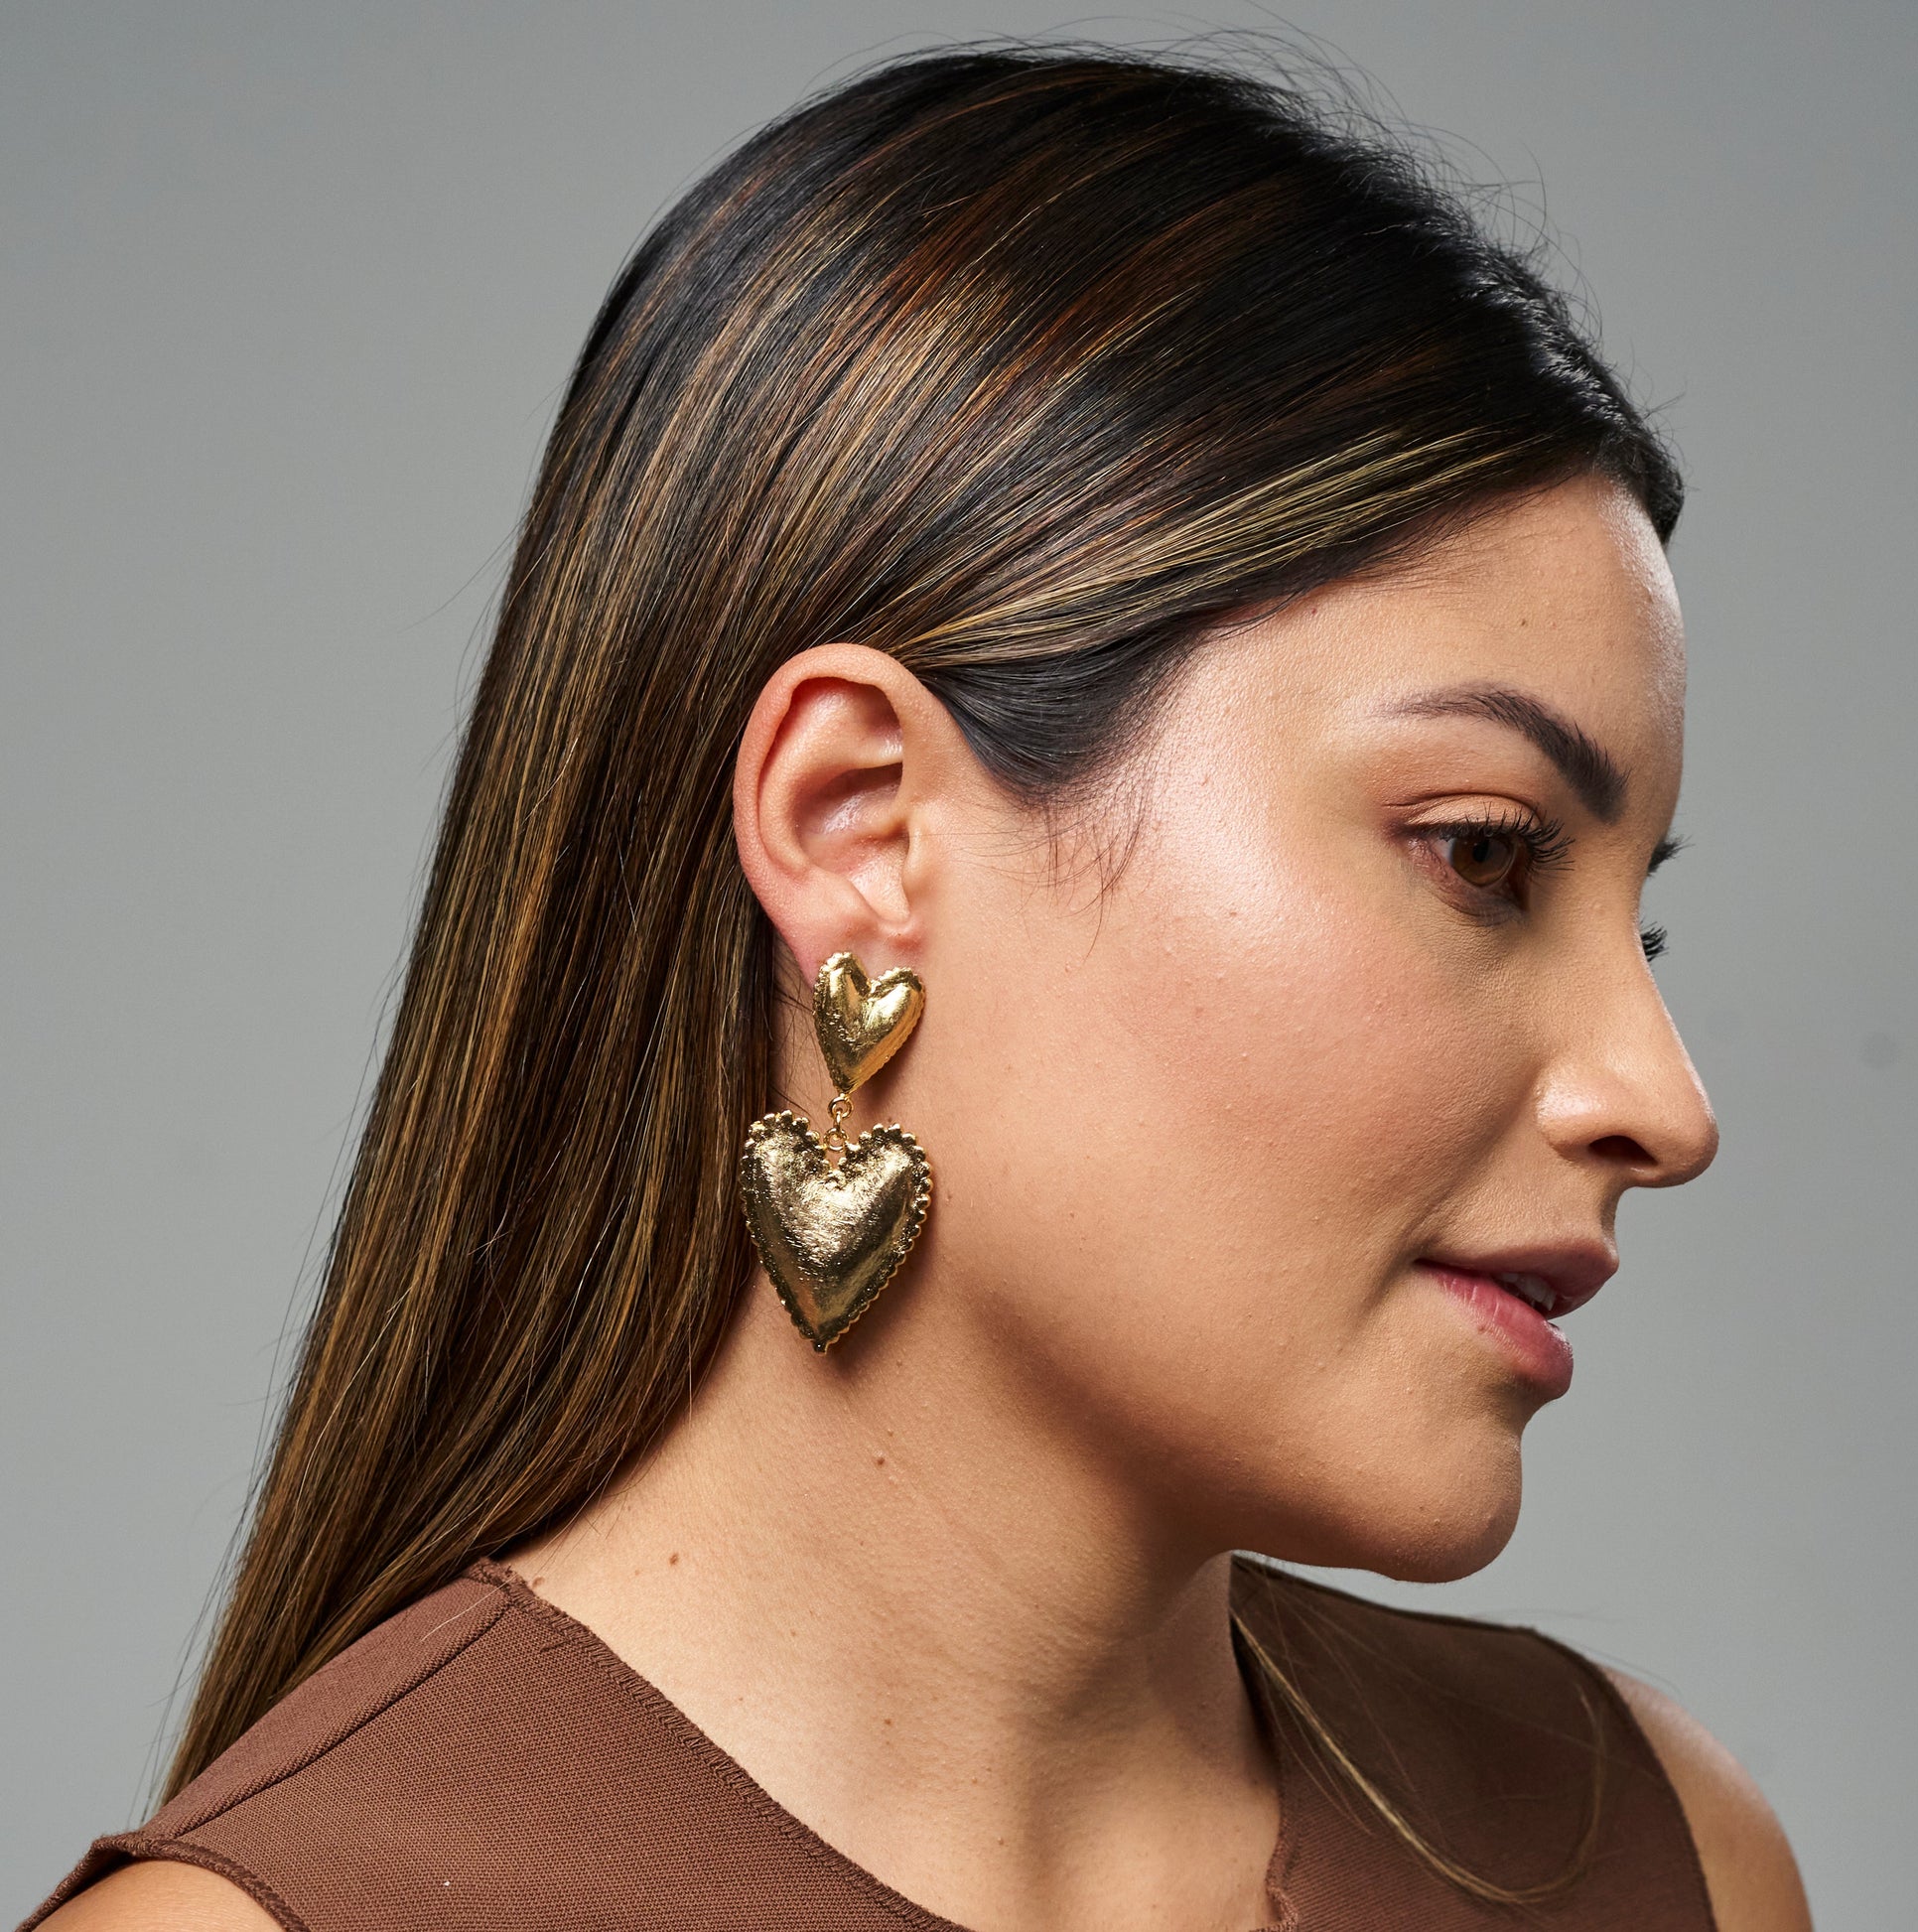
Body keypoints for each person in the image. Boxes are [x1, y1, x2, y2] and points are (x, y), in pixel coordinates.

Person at [29, 44, 1812, 1932]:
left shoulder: (1660, 1855)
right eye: (1482, 852)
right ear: (860, 825)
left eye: (1641, 929)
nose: (1662, 1102)